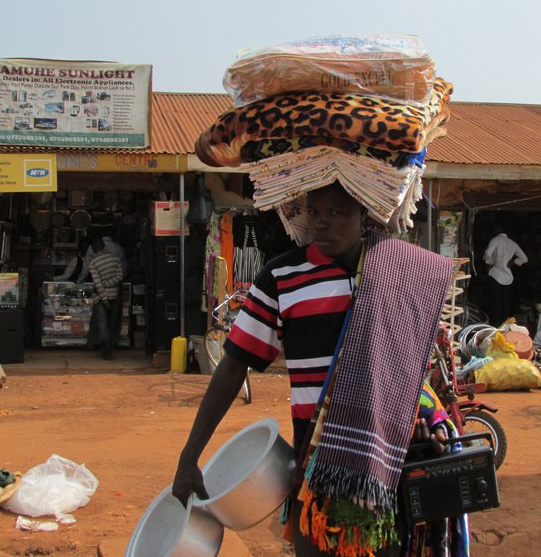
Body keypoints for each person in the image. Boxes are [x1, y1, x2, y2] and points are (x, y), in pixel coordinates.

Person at [172, 182, 455, 556]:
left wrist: (428, 416)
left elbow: (415, 365)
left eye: (336, 212)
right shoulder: (281, 277)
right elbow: (233, 366)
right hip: (317, 458)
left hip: (391, 458)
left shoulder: (400, 272)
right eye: (315, 212)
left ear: (364, 214)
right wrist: (190, 455)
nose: (322, 223)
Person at [87, 237, 123, 360]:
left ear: (93, 248)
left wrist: (104, 298)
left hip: (101, 298)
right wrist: (109, 284)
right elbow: (120, 276)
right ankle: (112, 345)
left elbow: (97, 285)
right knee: (113, 322)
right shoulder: (115, 259)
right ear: (103, 246)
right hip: (115, 295)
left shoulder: (93, 263)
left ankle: (106, 350)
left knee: (102, 323)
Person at [483, 229, 528, 325]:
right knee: (506, 303)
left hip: (495, 275)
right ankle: (505, 326)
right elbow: (524, 258)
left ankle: (495, 325)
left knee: (495, 303)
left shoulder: (495, 240)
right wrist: (512, 262)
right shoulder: (512, 243)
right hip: (508, 278)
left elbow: (488, 253)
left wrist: (490, 263)